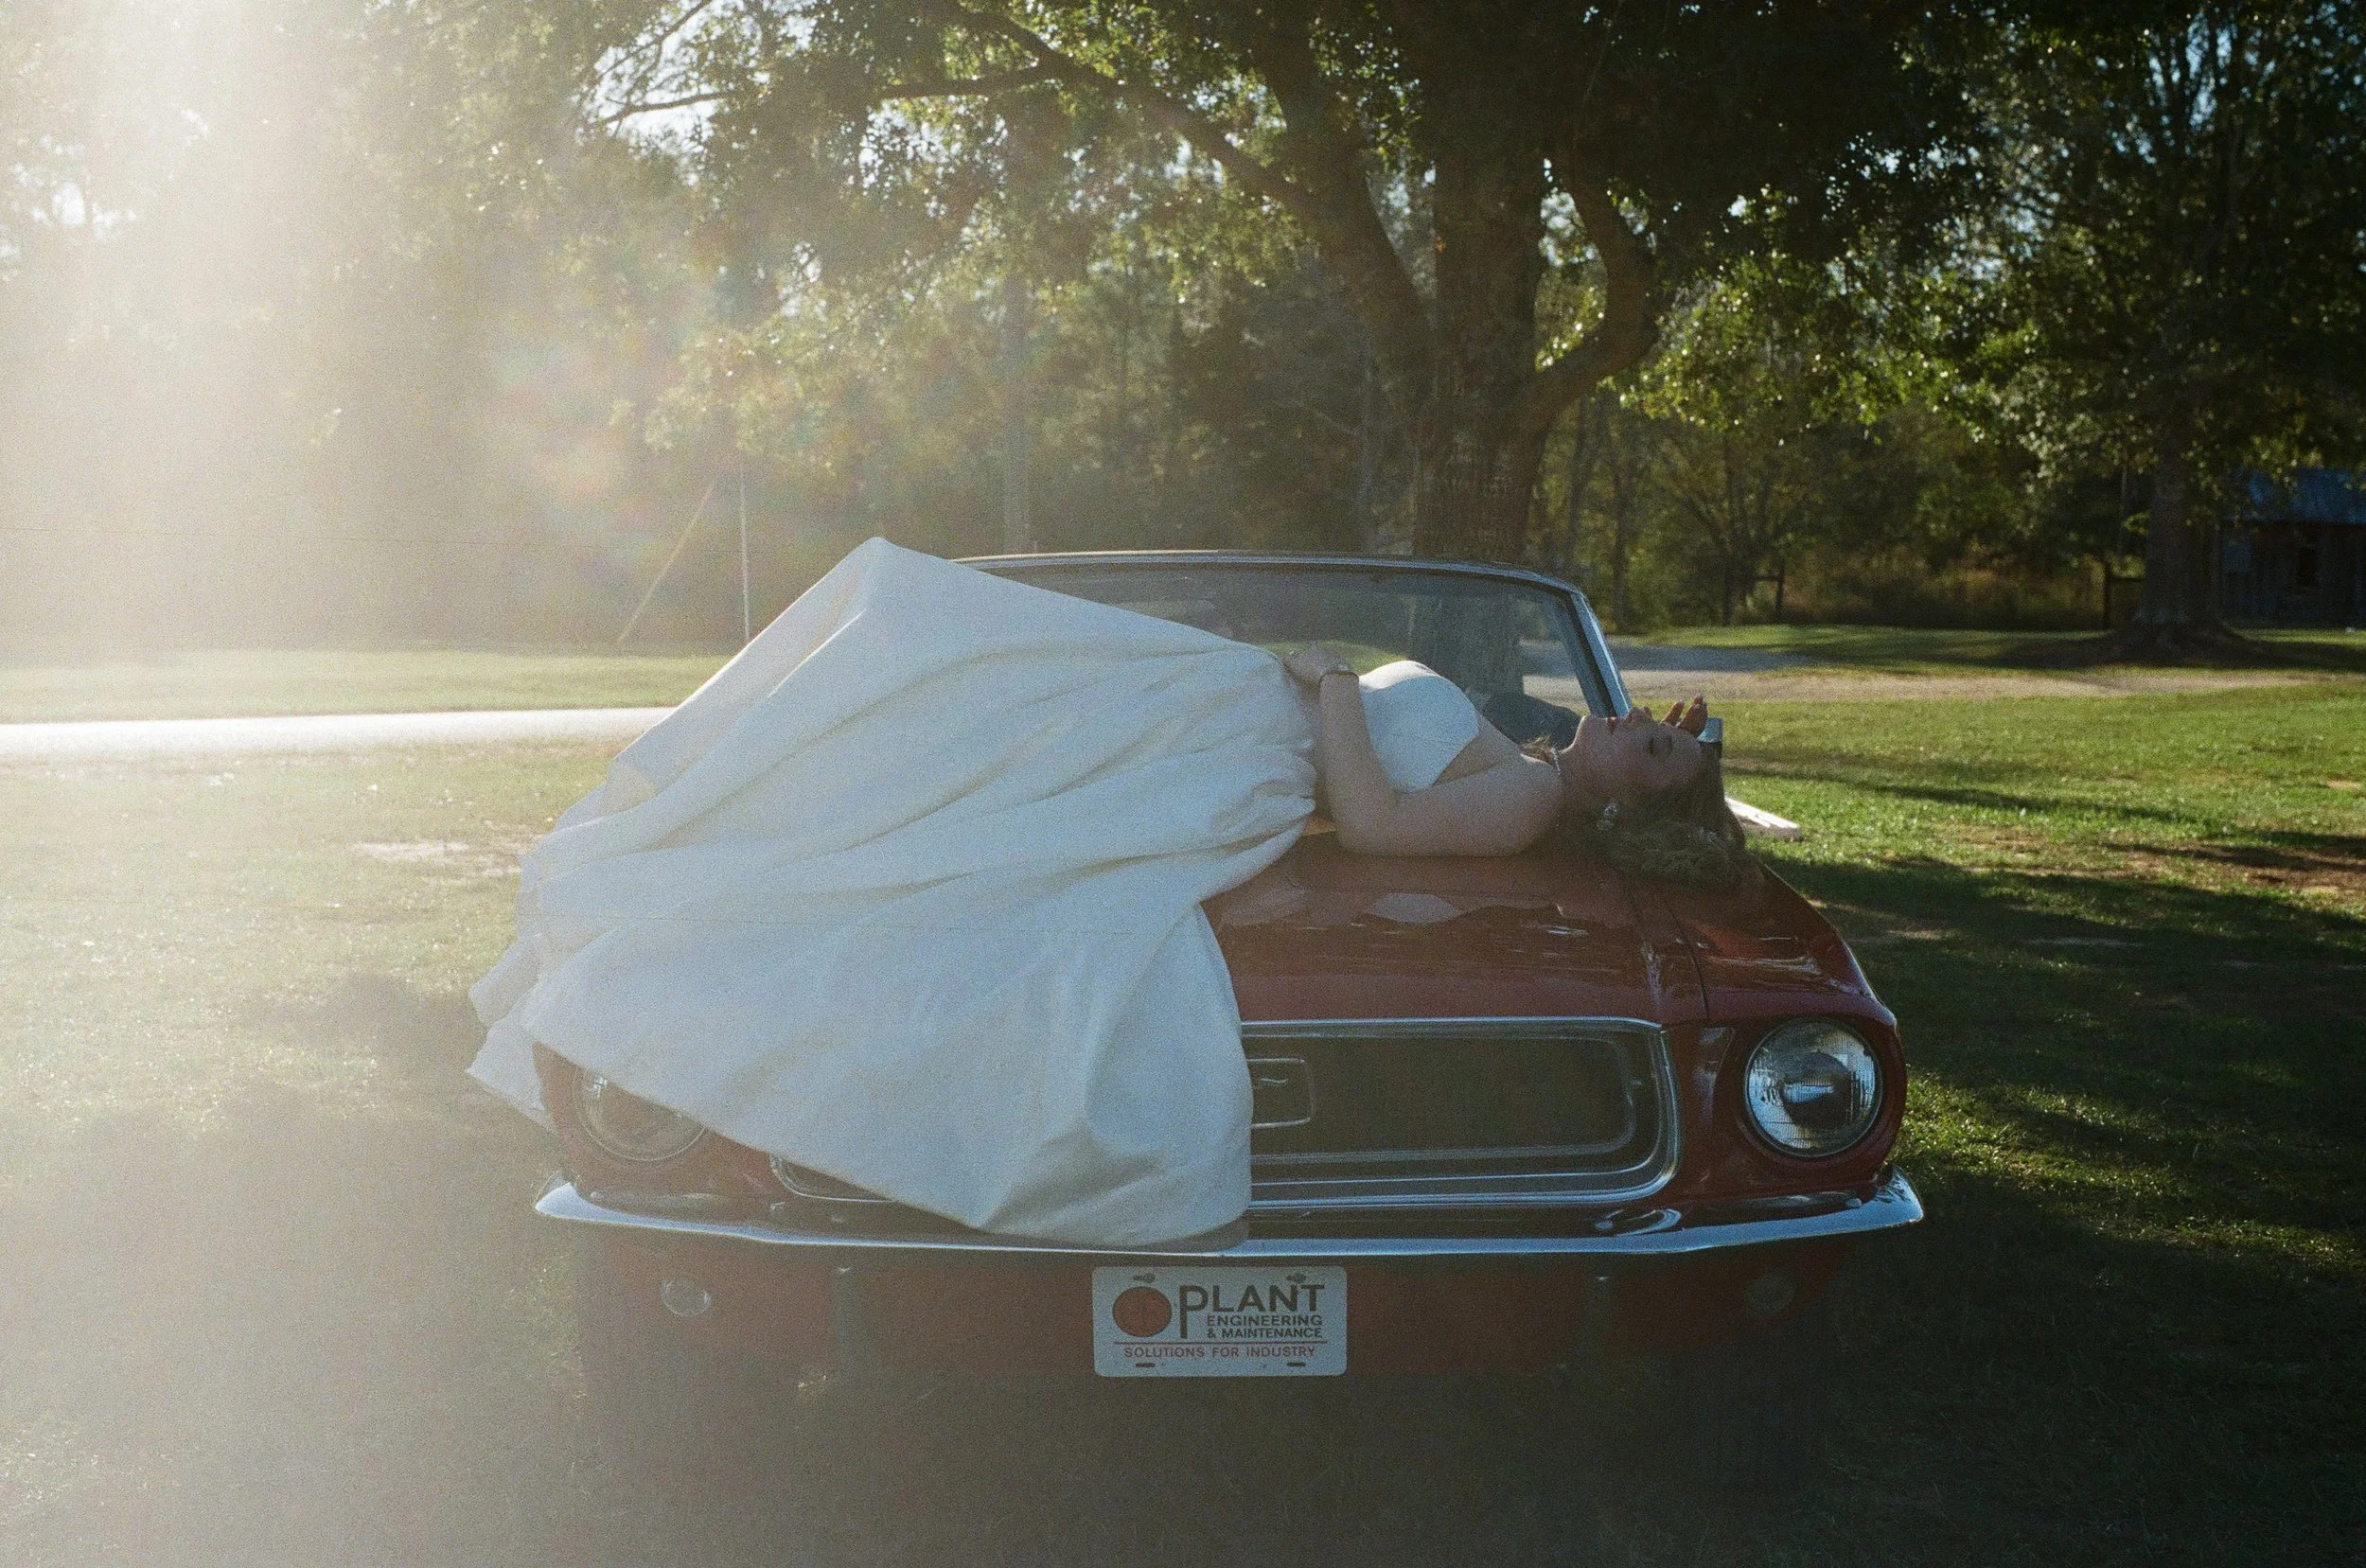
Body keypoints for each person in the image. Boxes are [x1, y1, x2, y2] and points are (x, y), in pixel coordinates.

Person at [1279, 643, 1757, 893]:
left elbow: (1372, 827)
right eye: (1652, 719)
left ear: (1624, 808)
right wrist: (1670, 746)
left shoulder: (1535, 795)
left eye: (1652, 744)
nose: (1636, 715)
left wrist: (1336, 677)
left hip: (1257, 732)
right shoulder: (1527, 761)